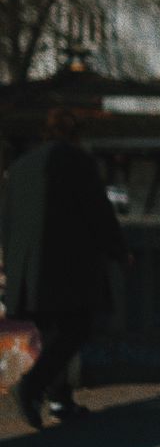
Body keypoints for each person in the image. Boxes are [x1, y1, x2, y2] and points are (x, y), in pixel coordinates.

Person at [1, 109, 127, 429]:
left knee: (44, 331)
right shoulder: (78, 162)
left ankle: (58, 398)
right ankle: (35, 386)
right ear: (75, 134)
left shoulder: (20, 166)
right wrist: (118, 250)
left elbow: (7, 218)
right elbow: (98, 212)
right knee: (76, 327)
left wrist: (11, 260)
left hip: (27, 264)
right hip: (66, 262)